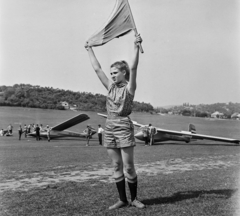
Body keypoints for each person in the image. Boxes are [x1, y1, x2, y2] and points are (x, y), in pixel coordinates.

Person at [85, 34, 145, 210]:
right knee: (116, 165)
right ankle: (122, 199)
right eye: (110, 73)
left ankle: (134, 198)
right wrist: (89, 49)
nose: (111, 75)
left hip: (124, 126)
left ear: (123, 72)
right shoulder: (110, 87)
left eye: (115, 72)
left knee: (128, 166)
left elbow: (134, 68)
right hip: (109, 126)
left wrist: (136, 46)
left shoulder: (129, 88)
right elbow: (97, 69)